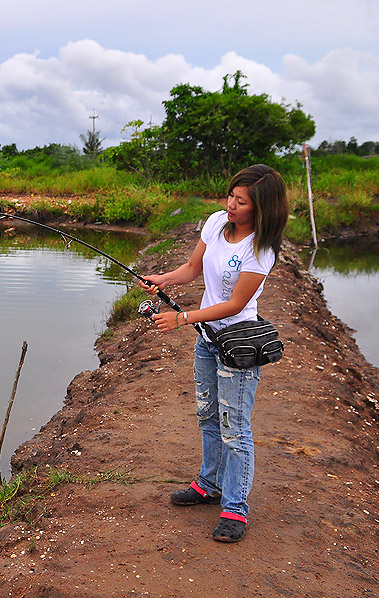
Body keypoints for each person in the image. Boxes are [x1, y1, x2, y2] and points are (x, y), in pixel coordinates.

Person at [139, 163, 288, 543]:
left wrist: (182, 317)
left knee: (233, 426)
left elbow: (236, 305)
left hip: (237, 345)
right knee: (207, 413)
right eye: (230, 197)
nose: (231, 206)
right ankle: (209, 484)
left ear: (261, 209)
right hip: (207, 340)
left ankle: (236, 508)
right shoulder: (216, 224)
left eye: (241, 201)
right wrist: (163, 280)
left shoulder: (260, 251)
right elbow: (192, 267)